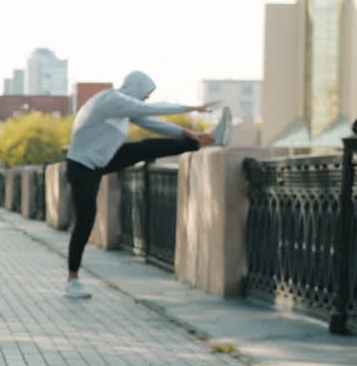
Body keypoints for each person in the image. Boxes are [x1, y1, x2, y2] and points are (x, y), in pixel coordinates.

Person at [64, 71, 231, 298]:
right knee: (86, 220)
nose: (146, 99)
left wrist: (188, 133)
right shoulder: (112, 100)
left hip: (102, 160)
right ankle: (72, 280)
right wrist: (191, 108)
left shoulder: (123, 108)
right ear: (137, 88)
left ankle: (207, 139)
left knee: (147, 146)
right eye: (146, 94)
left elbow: (151, 122)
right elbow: (150, 110)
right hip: (82, 166)